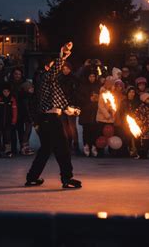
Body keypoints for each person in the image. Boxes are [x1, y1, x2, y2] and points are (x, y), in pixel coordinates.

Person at [25, 42, 82, 189]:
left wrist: (71, 109)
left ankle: (32, 177)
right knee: (63, 149)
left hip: (48, 119)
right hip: (50, 120)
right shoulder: (45, 77)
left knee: (45, 150)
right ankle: (67, 179)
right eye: (54, 65)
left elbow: (59, 103)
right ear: (47, 66)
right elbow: (55, 68)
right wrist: (63, 54)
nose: (58, 68)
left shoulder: (51, 82)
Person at [58, 62, 81, 155]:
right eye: (64, 69)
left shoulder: (74, 79)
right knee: (64, 126)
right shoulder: (59, 78)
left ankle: (75, 146)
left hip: (71, 105)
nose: (65, 70)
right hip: (62, 105)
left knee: (72, 126)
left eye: (67, 69)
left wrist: (75, 106)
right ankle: (67, 145)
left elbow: (76, 93)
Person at [0, 83, 18, 158]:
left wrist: (14, 121)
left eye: (7, 91)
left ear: (9, 92)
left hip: (8, 122)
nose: (6, 93)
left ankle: (8, 151)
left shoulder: (12, 99)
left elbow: (15, 111)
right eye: (4, 91)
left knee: (7, 137)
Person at [78, 68, 100, 157]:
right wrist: (88, 99)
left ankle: (94, 146)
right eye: (90, 76)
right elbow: (79, 97)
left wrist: (97, 99)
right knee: (86, 129)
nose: (92, 78)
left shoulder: (98, 86)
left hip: (95, 110)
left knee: (95, 129)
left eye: (93, 76)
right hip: (86, 110)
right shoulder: (83, 86)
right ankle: (86, 145)